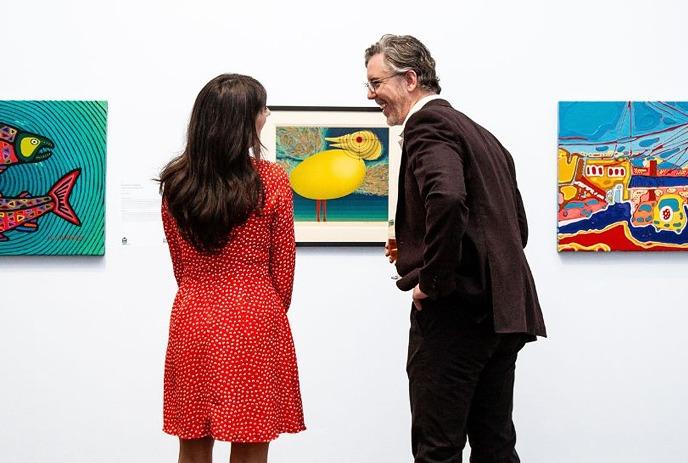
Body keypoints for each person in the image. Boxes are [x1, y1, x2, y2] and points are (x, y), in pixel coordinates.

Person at [365, 35, 546, 463]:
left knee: (437, 448)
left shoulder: (427, 125)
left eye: (376, 83)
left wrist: (433, 279)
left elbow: (446, 198)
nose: (371, 95)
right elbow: (512, 228)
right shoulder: (483, 135)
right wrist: (419, 246)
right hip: (503, 313)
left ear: (409, 79)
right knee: (495, 443)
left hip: (458, 312)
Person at [158, 74, 305, 463]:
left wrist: (205, 289)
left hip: (193, 316)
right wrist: (260, 304)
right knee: (252, 442)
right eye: (262, 109)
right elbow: (283, 270)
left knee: (191, 443)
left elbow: (179, 263)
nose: (266, 115)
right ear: (242, 121)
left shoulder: (176, 183)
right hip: (255, 317)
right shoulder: (271, 179)